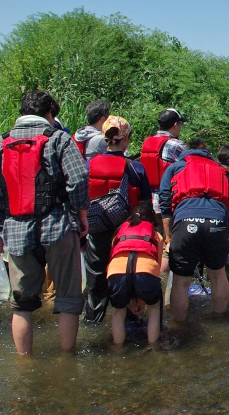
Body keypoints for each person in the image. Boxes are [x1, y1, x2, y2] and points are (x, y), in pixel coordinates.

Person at [0, 90, 89, 354]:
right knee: (67, 298)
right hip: (59, 226)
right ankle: (67, 359)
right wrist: (82, 215)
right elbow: (78, 180)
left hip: (17, 230)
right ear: (50, 113)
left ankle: (24, 363)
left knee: (21, 304)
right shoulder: (60, 139)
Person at [84, 116, 152, 323]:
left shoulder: (89, 165)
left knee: (96, 276)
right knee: (126, 275)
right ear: (125, 139)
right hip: (126, 231)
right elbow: (146, 201)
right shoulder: (135, 167)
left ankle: (93, 319)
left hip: (96, 228)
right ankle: (129, 321)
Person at [159, 138, 229, 320]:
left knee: (181, 280)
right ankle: (220, 321)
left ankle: (179, 325)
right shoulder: (221, 170)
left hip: (186, 222)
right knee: (218, 275)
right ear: (207, 152)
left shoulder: (175, 168)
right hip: (217, 223)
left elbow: (165, 206)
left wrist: (169, 238)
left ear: (186, 152)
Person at [108, 201, 164, 345]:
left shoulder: (118, 232)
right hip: (145, 274)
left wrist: (130, 303)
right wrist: (143, 302)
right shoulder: (156, 235)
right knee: (154, 309)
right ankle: (153, 347)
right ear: (152, 219)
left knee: (117, 312)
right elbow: (154, 269)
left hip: (116, 275)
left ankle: (118, 350)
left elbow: (115, 262)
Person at [140, 108, 188, 215]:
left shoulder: (147, 142)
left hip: (148, 203)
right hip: (169, 202)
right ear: (175, 125)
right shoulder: (177, 145)